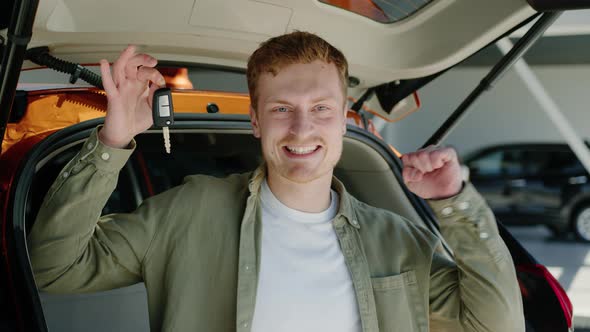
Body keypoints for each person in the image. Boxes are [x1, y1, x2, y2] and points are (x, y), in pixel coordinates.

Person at [28, 32, 524, 332]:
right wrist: (112, 142)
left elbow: (494, 324)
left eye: (321, 110)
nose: (303, 129)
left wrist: (456, 204)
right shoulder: (189, 211)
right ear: (257, 123)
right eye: (282, 109)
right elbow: (54, 268)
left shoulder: (397, 239)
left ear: (342, 121)